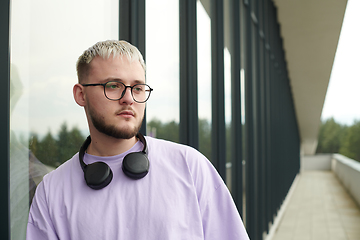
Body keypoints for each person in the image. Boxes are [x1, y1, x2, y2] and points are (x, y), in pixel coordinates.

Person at [26, 40, 249, 240]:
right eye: (113, 86)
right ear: (81, 95)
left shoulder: (190, 166)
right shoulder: (51, 191)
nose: (128, 98)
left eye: (138, 88)